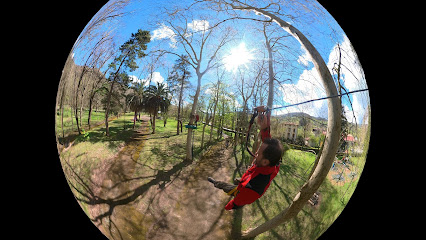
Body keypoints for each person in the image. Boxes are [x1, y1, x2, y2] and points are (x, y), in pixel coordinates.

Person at [208, 106, 285, 210]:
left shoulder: (253, 187)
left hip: (242, 190)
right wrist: (265, 124)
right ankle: (237, 181)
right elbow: (270, 144)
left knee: (226, 187)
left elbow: (238, 201)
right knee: (237, 181)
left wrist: (230, 206)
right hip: (247, 180)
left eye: (258, 154)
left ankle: (215, 183)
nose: (256, 153)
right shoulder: (274, 163)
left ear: (265, 162)